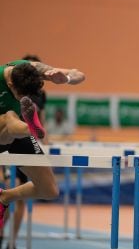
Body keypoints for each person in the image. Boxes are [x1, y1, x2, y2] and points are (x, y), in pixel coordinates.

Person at [0, 59, 85, 230]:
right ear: (10, 83)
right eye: (19, 94)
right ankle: (29, 127)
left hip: (20, 135)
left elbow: (80, 75)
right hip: (5, 129)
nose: (22, 98)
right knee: (9, 118)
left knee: (49, 190)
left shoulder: (33, 69)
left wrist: (65, 79)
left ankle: (4, 198)